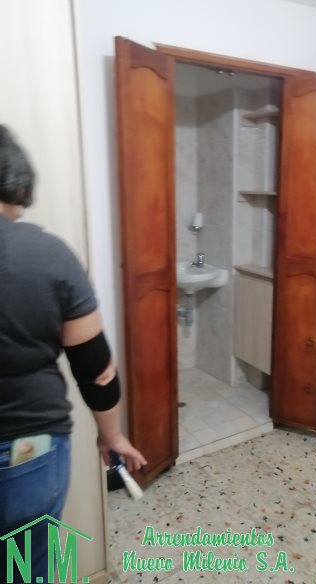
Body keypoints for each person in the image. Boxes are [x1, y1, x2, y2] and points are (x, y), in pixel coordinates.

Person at [0, 125, 147, 580]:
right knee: (27, 566)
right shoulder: (48, 256)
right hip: (29, 449)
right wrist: (112, 436)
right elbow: (97, 370)